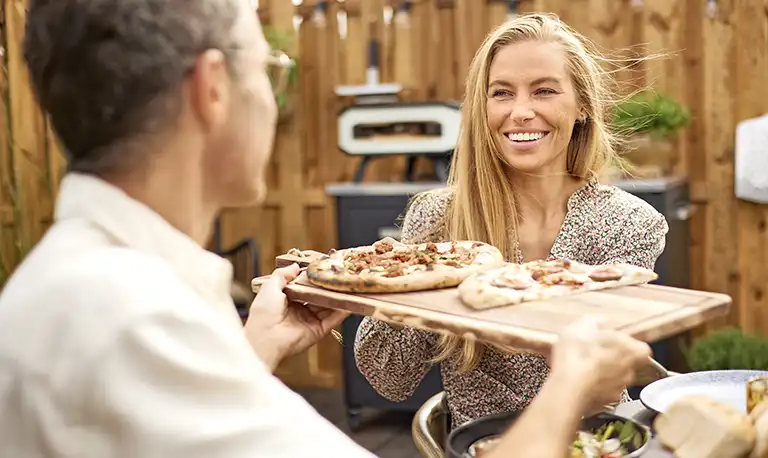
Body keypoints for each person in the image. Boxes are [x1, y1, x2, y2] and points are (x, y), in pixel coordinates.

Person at [0, 1, 651, 457]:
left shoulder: (111, 296)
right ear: (214, 89)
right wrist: (571, 384)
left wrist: (255, 348)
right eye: (271, 71)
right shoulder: (129, 320)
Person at [355, 13, 670, 429]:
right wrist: (426, 278)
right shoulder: (439, 218)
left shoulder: (629, 223)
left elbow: (604, 382)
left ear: (582, 107)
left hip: (593, 440)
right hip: (479, 447)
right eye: (502, 93)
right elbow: (389, 377)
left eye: (544, 91)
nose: (521, 112)